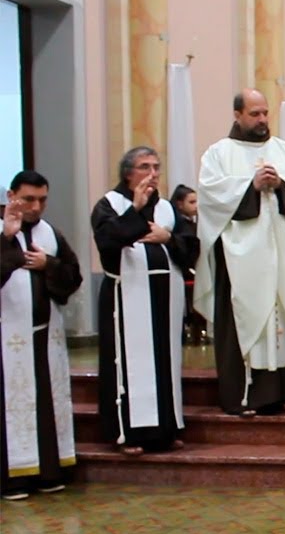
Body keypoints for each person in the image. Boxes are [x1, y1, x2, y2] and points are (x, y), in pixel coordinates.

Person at [195, 89, 285, 416]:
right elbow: (211, 195)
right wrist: (249, 185)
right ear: (237, 115)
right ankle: (248, 395)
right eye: (255, 114)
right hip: (241, 260)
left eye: (265, 113)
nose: (262, 120)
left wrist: (282, 184)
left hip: (283, 255)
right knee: (248, 317)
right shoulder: (218, 155)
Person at [92, 149, 197, 456]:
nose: (152, 173)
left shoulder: (166, 208)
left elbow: (190, 246)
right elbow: (108, 241)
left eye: (156, 168)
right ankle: (128, 432)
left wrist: (168, 238)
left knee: (164, 360)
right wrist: (135, 212)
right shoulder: (109, 205)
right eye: (144, 167)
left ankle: (166, 429)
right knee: (129, 363)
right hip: (126, 297)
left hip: (165, 298)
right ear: (128, 173)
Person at [1, 171, 82, 500]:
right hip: (6, 339)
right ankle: (13, 479)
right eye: (29, 198)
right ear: (12, 195)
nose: (37, 206)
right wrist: (8, 241)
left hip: (46, 336)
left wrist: (48, 265)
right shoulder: (2, 230)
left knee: (47, 405)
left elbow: (73, 277)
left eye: (43, 199)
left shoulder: (51, 234)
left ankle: (49, 470)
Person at [171, 184, 207, 346]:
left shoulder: (195, 224)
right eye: (191, 202)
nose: (196, 206)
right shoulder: (179, 226)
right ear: (179, 204)